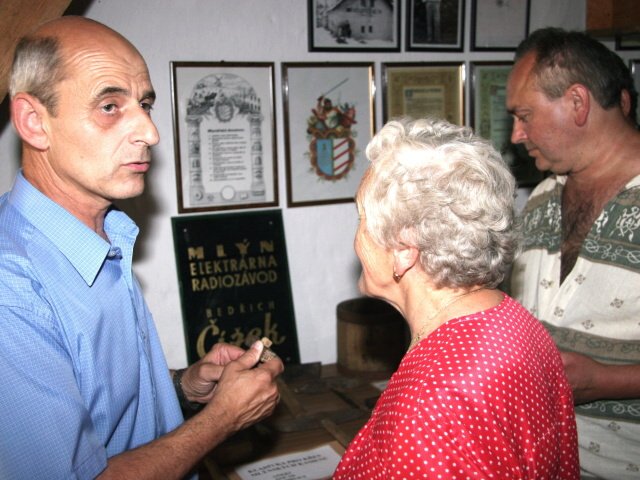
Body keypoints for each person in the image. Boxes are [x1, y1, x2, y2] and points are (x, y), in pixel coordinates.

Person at [0, 16, 283, 480]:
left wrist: (185, 387)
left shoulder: (101, 234)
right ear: (34, 122)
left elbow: (104, 410)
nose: (150, 133)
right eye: (110, 106)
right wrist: (221, 419)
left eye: (145, 104)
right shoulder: (11, 287)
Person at [333, 117, 579, 479]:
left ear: (404, 250)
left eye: (362, 219)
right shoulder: (513, 320)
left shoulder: (428, 404)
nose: (356, 238)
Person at [506, 27, 640, 479]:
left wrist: (607, 381)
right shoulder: (542, 197)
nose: (516, 134)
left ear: (578, 103)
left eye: (524, 115)